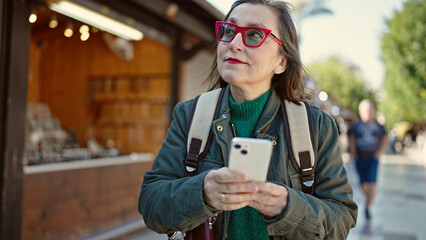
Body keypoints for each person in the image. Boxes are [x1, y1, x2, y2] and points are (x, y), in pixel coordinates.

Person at [139, 0, 357, 239]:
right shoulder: (190, 115)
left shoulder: (316, 126)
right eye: (229, 31)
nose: (234, 43)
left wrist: (289, 207)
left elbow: (341, 219)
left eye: (254, 35)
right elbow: (151, 204)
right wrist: (201, 192)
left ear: (281, 61)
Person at [348, 99, 388, 220]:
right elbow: (352, 140)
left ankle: (367, 208)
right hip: (359, 159)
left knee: (371, 183)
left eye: (370, 110)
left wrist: (378, 154)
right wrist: (353, 153)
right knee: (363, 184)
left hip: (372, 159)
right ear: (360, 112)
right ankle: (368, 200)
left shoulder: (379, 127)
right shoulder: (356, 126)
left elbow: (386, 141)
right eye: (365, 111)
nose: (368, 113)